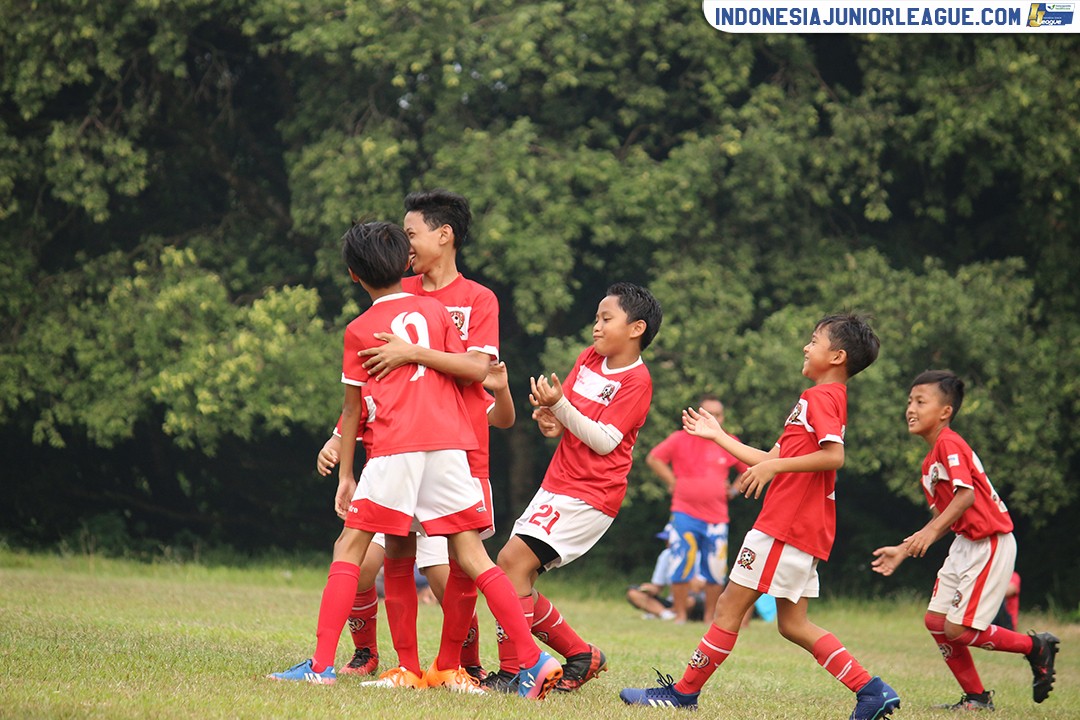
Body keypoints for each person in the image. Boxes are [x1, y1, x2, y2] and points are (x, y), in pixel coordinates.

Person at [268, 221, 562, 699]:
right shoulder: (436, 310)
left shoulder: (360, 329)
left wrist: (346, 475)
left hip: (396, 448)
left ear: (352, 275)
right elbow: (469, 372)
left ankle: (320, 666)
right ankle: (529, 659)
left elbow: (352, 407)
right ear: (405, 263)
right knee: (465, 555)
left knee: (349, 549)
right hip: (449, 447)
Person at [620, 313, 900, 720]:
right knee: (793, 624)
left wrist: (774, 469)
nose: (806, 346)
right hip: (805, 526)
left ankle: (682, 694)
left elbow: (831, 456)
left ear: (837, 356)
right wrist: (720, 436)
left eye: (814, 340)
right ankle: (873, 691)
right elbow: (773, 458)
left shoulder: (819, 398)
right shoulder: (825, 398)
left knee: (728, 608)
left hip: (784, 526)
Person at [315, 189, 505, 682]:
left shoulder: (476, 299)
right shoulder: (405, 297)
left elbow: (479, 370)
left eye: (412, 232)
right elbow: (370, 390)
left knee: (452, 575)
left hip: (457, 453)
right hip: (396, 449)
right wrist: (342, 437)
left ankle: (465, 666)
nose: (406, 243)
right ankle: (378, 658)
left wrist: (412, 353)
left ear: (444, 236)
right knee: (370, 560)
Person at [482, 282, 662, 694]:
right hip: (558, 483)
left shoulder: (637, 380)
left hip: (592, 494)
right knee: (515, 569)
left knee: (511, 562)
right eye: (596, 318)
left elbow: (604, 440)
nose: (596, 327)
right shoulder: (589, 359)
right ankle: (581, 655)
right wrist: (550, 418)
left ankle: (515, 672)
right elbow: (567, 421)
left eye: (606, 318)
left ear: (636, 329)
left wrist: (560, 406)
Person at [870, 371, 1058, 711]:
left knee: (958, 629)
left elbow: (965, 498)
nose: (910, 408)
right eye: (909, 401)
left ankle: (1035, 647)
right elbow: (944, 520)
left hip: (990, 542)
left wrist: (927, 533)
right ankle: (976, 697)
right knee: (936, 622)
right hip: (964, 544)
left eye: (920, 401)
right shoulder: (929, 465)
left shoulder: (949, 442)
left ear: (945, 412)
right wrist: (903, 548)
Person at [316, 361, 515, 679]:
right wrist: (331, 448)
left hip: (439, 497)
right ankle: (366, 653)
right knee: (362, 566)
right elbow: (345, 429)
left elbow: (501, 418)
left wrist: (501, 389)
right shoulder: (374, 383)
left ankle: (467, 662)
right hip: (390, 495)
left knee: (444, 581)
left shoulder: (444, 380)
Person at [646, 395, 748, 623]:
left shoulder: (728, 441)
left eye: (718, 414)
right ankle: (680, 614)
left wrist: (733, 490)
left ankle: (709, 617)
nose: (713, 417)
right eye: (708, 412)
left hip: (717, 517)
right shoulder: (680, 439)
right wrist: (672, 481)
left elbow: (748, 467)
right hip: (684, 513)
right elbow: (654, 458)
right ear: (698, 415)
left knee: (715, 570)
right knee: (680, 563)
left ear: (722, 417)